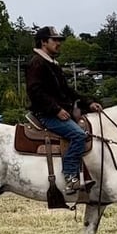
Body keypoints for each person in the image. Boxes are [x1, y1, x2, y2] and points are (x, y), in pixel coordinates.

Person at [26, 25, 103, 194]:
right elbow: (35, 92)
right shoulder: (37, 63)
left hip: (56, 111)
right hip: (46, 114)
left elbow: (67, 92)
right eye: (55, 40)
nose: (58, 43)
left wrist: (87, 103)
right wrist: (55, 110)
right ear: (43, 42)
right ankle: (70, 177)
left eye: (59, 40)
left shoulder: (51, 64)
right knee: (78, 135)